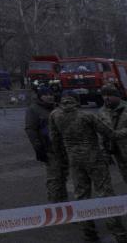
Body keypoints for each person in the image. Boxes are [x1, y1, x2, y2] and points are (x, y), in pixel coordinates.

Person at [49, 92, 127, 242]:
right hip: (94, 159)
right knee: (105, 194)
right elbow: (111, 134)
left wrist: (62, 159)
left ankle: (89, 233)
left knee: (81, 196)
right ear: (77, 101)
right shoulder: (86, 116)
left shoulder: (55, 115)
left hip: (74, 161)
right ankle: (119, 233)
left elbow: (55, 140)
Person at [25, 84, 68, 202]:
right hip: (49, 149)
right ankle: (54, 205)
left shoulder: (57, 107)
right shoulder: (33, 109)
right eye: (45, 95)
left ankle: (64, 203)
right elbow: (31, 129)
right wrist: (38, 148)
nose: (49, 97)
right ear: (40, 96)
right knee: (54, 179)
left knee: (63, 177)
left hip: (62, 149)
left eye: (50, 94)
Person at [98, 83, 127, 183]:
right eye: (104, 95)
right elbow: (101, 134)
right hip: (118, 152)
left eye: (109, 95)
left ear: (117, 95)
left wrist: (118, 134)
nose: (106, 98)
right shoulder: (101, 112)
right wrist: (105, 152)